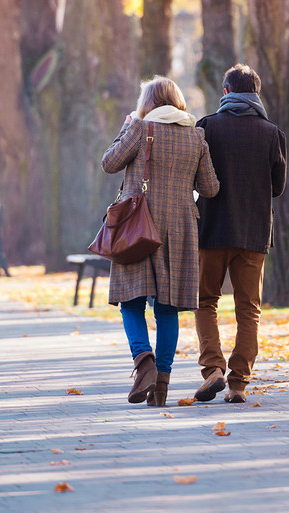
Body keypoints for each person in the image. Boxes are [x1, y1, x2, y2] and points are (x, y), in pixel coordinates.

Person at [101, 76, 219, 408]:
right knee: (167, 308)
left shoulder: (140, 128)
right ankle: (161, 386)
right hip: (181, 228)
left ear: (147, 103)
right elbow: (210, 188)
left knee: (131, 301)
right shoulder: (196, 136)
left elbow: (109, 163)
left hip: (138, 226)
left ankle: (144, 363)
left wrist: (127, 127)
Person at [193, 64, 287, 404]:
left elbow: (195, 177)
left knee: (205, 302)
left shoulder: (206, 127)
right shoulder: (272, 133)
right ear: (256, 94)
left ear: (227, 92)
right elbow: (277, 188)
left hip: (212, 229)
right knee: (248, 309)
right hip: (254, 233)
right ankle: (238, 383)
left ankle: (212, 369)